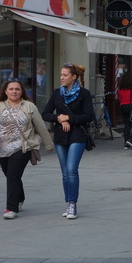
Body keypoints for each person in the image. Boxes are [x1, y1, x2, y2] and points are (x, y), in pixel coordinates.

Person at [0, 79, 54, 219]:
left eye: (17, 89)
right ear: (5, 91)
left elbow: (40, 126)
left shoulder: (29, 106)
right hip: (2, 148)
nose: (14, 91)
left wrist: (49, 145)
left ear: (22, 91)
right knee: (12, 176)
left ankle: (11, 208)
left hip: (23, 147)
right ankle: (20, 197)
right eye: (11, 89)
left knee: (12, 175)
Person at [42, 63, 95, 219]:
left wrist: (69, 118)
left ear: (74, 77)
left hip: (78, 134)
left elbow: (89, 116)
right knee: (65, 172)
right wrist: (58, 118)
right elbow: (45, 113)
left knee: (71, 169)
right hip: (60, 135)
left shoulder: (84, 93)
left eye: (65, 75)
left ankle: (72, 204)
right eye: (61, 75)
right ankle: (67, 203)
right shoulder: (57, 93)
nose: (62, 77)